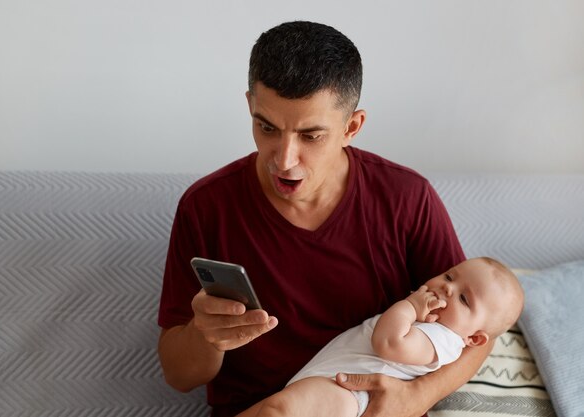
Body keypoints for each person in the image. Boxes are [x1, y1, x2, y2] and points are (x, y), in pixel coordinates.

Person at [157, 20, 493, 417]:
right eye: (266, 127)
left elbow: (477, 336)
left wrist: (415, 398)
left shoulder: (406, 197)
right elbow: (180, 376)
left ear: (352, 127)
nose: (283, 160)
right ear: (249, 105)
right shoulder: (206, 206)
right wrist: (205, 336)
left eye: (310, 136)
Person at [235, 257, 525, 417]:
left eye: (464, 299)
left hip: (347, 394)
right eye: (450, 277)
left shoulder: (443, 341)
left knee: (277, 411)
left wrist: (410, 306)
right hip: (325, 383)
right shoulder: (426, 323)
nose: (448, 289)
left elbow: (388, 343)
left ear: (473, 339)